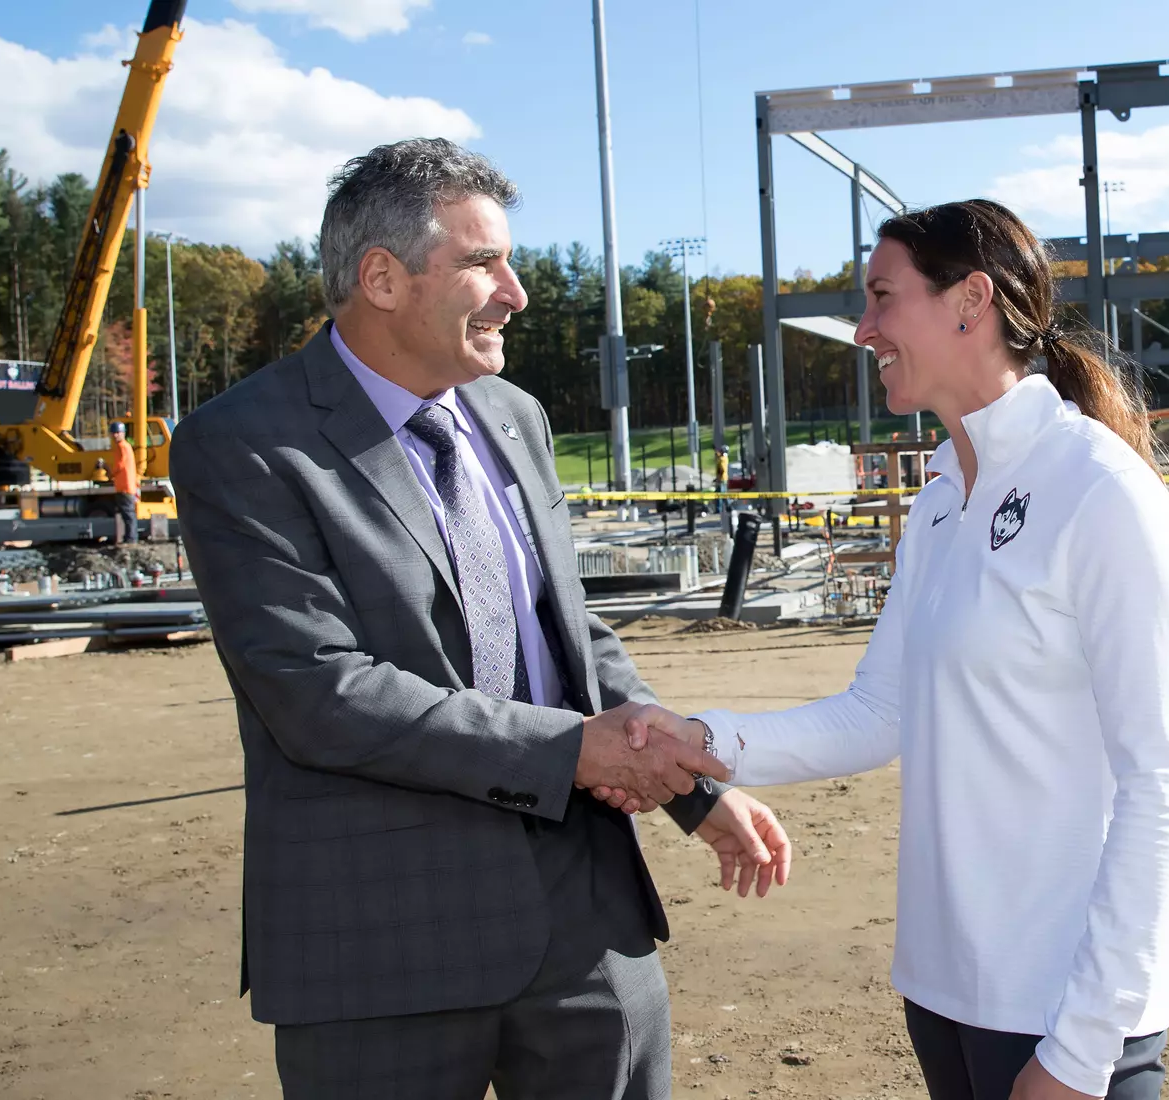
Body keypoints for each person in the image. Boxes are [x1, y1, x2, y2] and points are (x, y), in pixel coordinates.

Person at [171, 138, 791, 1100]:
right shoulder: (245, 445)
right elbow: (316, 691)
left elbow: (568, 636)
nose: (516, 293)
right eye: (482, 263)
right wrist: (571, 753)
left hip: (586, 928)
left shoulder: (513, 416)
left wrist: (689, 785)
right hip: (383, 947)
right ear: (382, 279)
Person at [602, 199, 1169, 1100]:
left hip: (1061, 1015)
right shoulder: (941, 499)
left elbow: (1157, 785)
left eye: (883, 297)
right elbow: (879, 713)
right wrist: (701, 739)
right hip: (944, 994)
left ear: (971, 301)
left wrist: (1083, 1049)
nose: (864, 329)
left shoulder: (1102, 493)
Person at [108, 421, 139, 544]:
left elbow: (120, 464)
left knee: (128, 513)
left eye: (117, 432)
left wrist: (110, 472)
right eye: (113, 433)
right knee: (127, 513)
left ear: (123, 433)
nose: (115, 435)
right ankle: (129, 537)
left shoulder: (122, 446)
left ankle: (131, 539)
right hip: (125, 485)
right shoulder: (125, 446)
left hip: (125, 486)